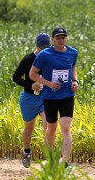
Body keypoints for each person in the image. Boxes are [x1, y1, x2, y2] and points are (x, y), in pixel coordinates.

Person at [29, 27, 80, 165]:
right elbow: (32, 74)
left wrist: (75, 81)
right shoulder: (44, 55)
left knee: (66, 127)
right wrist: (48, 84)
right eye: (58, 38)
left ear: (66, 39)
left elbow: (73, 68)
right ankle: (51, 157)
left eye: (63, 37)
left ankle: (64, 161)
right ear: (52, 39)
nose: (61, 40)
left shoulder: (72, 52)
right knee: (51, 129)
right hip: (50, 97)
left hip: (67, 95)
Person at [12, 33, 51, 167]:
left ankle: (50, 157)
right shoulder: (28, 59)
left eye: (48, 47)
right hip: (29, 98)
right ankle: (27, 152)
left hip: (45, 98)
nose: (46, 50)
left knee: (48, 126)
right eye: (43, 47)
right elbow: (15, 77)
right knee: (29, 128)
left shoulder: (50, 58)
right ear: (37, 47)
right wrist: (31, 85)